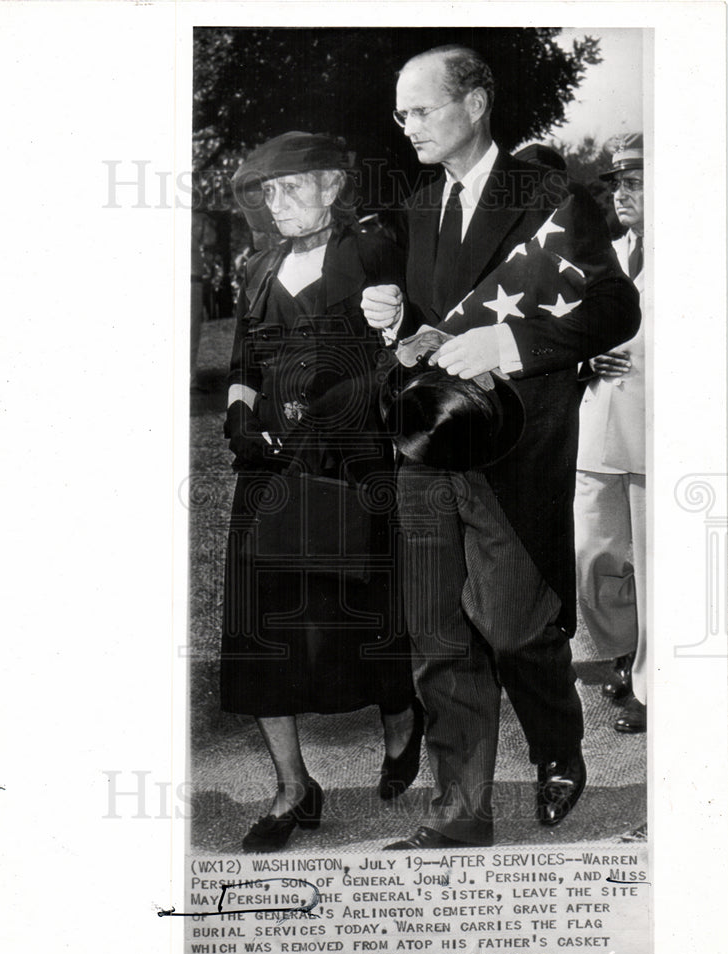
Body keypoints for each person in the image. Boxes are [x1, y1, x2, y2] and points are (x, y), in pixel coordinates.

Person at [361, 45, 641, 848]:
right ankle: (457, 814)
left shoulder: (550, 197)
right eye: (400, 113)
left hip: (516, 449)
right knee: (439, 637)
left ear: (474, 103)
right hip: (426, 447)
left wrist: (507, 344)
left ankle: (557, 743)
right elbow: (424, 335)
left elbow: (612, 310)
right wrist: (391, 317)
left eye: (420, 109)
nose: (405, 124)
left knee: (516, 628)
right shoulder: (413, 210)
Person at [221, 132, 423, 852]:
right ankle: (291, 787)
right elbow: (243, 362)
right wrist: (239, 416)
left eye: (292, 188)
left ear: (334, 187)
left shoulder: (374, 247)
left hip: (355, 455)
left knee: (368, 612)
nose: (276, 204)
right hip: (272, 465)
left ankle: (401, 722)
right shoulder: (257, 266)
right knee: (259, 628)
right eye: (267, 193)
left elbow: (412, 341)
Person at [575, 133, 647, 734]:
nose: (622, 194)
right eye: (618, 183)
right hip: (598, 427)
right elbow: (568, 329)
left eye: (636, 182)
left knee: (656, 562)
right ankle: (623, 657)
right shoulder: (606, 257)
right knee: (594, 557)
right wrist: (585, 358)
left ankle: (652, 681)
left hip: (659, 433)